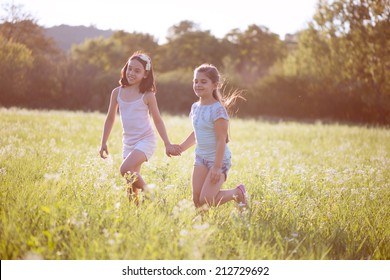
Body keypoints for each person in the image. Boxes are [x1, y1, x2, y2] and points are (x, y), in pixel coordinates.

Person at [99, 51, 180, 200]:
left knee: (125, 169)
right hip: (129, 142)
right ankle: (135, 214)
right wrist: (103, 142)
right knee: (130, 187)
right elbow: (110, 118)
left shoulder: (147, 95)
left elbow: (157, 120)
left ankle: (152, 196)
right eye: (130, 68)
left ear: (145, 74)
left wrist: (167, 143)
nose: (131, 73)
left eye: (137, 71)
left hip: (146, 141)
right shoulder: (117, 93)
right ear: (125, 69)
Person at [171, 64, 248, 209]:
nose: (198, 85)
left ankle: (237, 193)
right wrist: (180, 148)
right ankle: (201, 228)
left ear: (215, 85)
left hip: (218, 160)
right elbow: (196, 133)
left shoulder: (217, 110)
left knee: (206, 199)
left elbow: (221, 140)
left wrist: (217, 167)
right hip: (200, 158)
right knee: (196, 199)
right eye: (196, 81)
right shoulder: (195, 107)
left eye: (203, 81)